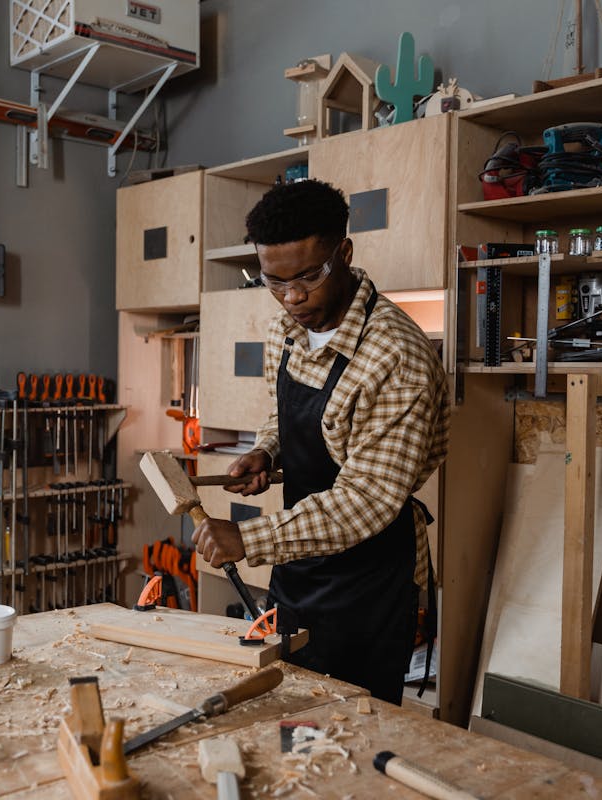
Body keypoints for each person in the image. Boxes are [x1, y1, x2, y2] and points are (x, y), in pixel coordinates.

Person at [190, 179, 450, 703]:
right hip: (302, 562)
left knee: (351, 728)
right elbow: (282, 414)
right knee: (292, 712)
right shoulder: (285, 330)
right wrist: (269, 449)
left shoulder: (396, 357)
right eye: (274, 281)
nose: (292, 297)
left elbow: (368, 500)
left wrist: (250, 539)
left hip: (370, 579)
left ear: (344, 253)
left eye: (309, 276)